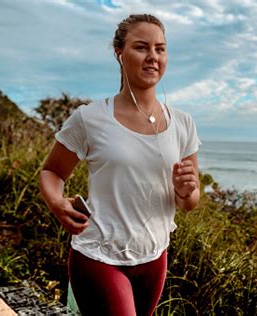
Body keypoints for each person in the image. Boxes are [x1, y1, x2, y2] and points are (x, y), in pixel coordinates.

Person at [39, 13, 201, 315]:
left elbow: (190, 202)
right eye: (141, 47)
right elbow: (52, 172)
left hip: (155, 258)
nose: (153, 57)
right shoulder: (90, 118)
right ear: (119, 53)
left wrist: (185, 190)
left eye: (160, 48)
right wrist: (56, 203)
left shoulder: (183, 124)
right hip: (99, 257)